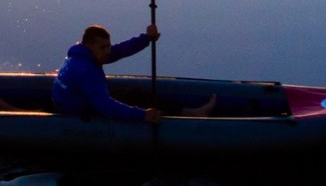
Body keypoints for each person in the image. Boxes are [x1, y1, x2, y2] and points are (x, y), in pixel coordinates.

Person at [51, 24, 215, 124]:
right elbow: (105, 106)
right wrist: (143, 115)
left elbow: (121, 50)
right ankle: (188, 114)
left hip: (78, 100)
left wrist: (146, 38)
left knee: (135, 94)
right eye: (103, 47)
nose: (108, 51)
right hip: (81, 109)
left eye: (108, 46)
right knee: (140, 99)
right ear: (89, 45)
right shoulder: (86, 70)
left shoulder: (83, 55)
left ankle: (189, 112)